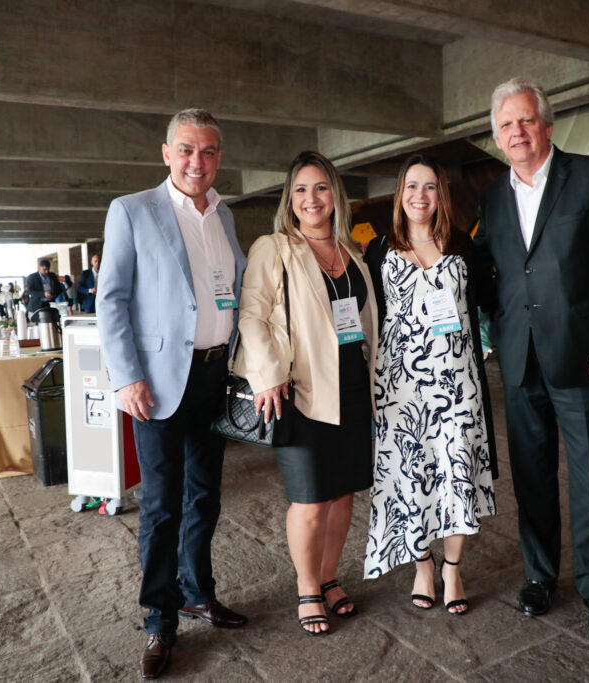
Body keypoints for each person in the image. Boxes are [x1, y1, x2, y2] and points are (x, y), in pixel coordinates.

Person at [473, 78, 589, 638]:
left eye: (525, 121)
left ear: (546, 126)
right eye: (505, 126)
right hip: (519, 360)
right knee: (532, 477)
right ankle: (540, 576)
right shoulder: (493, 197)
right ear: (497, 139)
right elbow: (490, 274)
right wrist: (488, 330)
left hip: (583, 359)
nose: (516, 132)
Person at [97, 108, 248, 680]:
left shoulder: (224, 215)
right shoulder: (133, 211)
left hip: (212, 375)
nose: (197, 162)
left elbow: (227, 292)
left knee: (205, 495)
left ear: (219, 159)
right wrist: (126, 376)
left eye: (209, 152)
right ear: (166, 153)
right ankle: (159, 618)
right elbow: (111, 299)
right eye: (186, 150)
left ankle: (196, 591)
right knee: (161, 505)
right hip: (158, 383)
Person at [235, 151, 377, 637]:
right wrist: (267, 374)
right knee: (311, 498)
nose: (311, 199)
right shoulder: (273, 247)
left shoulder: (352, 252)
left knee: (342, 495)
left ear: (335, 195)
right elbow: (252, 315)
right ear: (289, 200)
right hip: (300, 389)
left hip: (354, 387)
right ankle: (307, 588)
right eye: (300, 189)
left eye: (320, 188)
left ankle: (331, 577)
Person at [362, 155, 497, 615]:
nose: (420, 196)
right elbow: (364, 315)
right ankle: (421, 565)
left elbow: (491, 303)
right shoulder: (378, 250)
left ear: (442, 194)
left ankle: (452, 570)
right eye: (411, 187)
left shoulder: (463, 245)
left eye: (430, 187)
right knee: (410, 476)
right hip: (399, 388)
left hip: (457, 384)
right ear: (400, 194)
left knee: (456, 468)